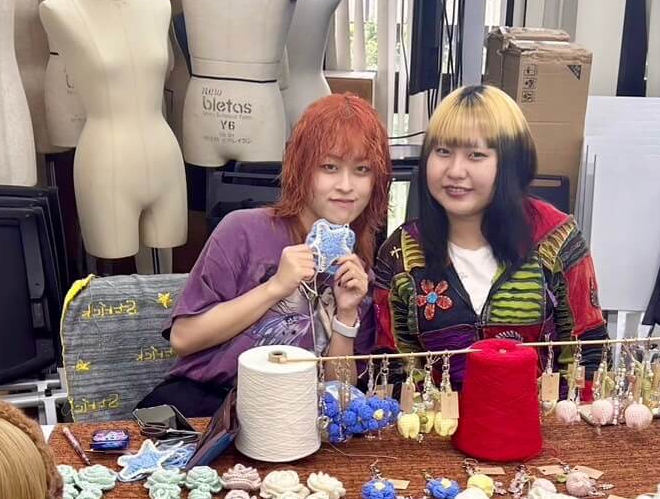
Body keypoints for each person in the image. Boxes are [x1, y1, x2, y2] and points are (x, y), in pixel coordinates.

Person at [139, 93, 393, 416]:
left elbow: (340, 396)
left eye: (361, 169)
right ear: (302, 167)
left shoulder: (357, 274)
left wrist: (346, 315)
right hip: (204, 406)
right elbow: (183, 338)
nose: (346, 185)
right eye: (329, 167)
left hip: (290, 419)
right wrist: (275, 287)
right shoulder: (242, 231)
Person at [373, 83, 607, 387]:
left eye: (476, 154)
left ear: (511, 163)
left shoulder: (556, 240)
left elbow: (588, 355)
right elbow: (391, 369)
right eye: (443, 151)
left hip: (541, 415)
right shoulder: (401, 252)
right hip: (436, 416)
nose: (455, 171)